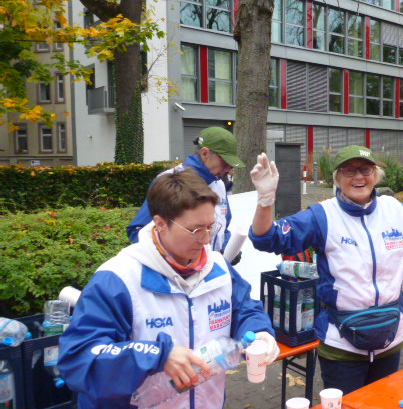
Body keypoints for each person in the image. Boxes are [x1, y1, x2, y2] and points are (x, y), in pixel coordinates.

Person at [248, 145, 403, 395]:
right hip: (342, 345)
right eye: (349, 170)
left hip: (390, 338)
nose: (358, 177)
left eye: (365, 169)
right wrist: (265, 200)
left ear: (375, 175)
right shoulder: (322, 216)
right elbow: (267, 239)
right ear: (337, 178)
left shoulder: (395, 210)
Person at [58, 169, 278, 408]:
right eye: (196, 230)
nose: (206, 239)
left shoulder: (219, 268)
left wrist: (259, 333)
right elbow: (79, 359)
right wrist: (157, 355)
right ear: (160, 223)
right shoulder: (118, 279)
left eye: (210, 227)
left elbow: (245, 309)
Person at [127, 127, 244, 255]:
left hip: (211, 265)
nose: (229, 168)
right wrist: (174, 259)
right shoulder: (170, 181)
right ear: (205, 153)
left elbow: (223, 227)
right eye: (225, 162)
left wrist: (227, 249)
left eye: (231, 164)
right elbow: (137, 232)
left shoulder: (219, 184)